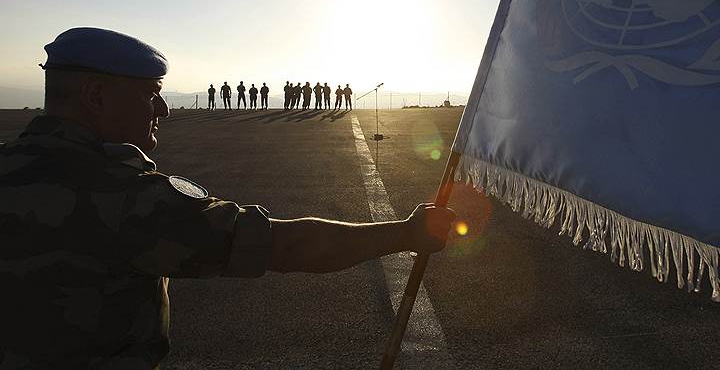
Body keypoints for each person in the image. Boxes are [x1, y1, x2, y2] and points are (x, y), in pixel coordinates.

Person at [0, 27, 455, 368]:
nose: (163, 109)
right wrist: (406, 233)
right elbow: (286, 246)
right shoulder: (126, 199)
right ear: (96, 96)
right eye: (151, 94)